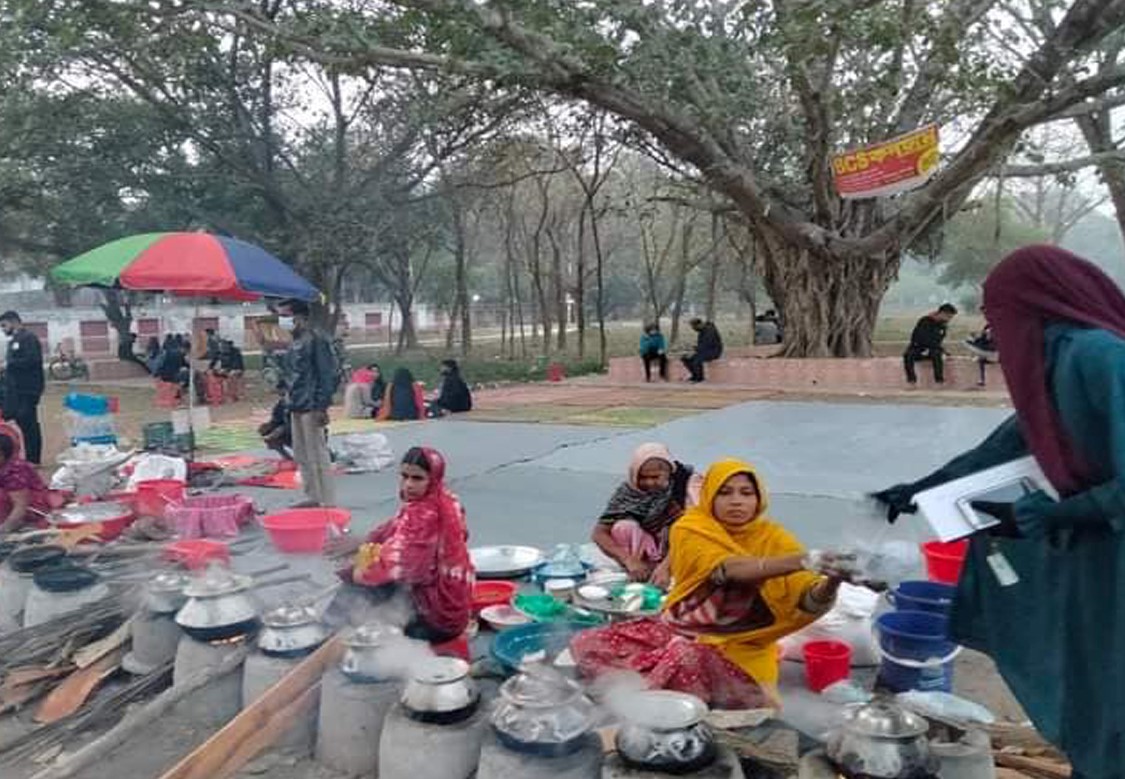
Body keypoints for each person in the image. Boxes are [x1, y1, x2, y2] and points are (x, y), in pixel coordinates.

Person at [870, 245, 1125, 779]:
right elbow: (1003, 447)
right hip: (1093, 556)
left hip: (1110, 552)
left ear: (1033, 304)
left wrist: (1066, 513)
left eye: (997, 314)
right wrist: (918, 489)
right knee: (1089, 681)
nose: (994, 329)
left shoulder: (1099, 356)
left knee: (1111, 683)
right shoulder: (1051, 363)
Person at [572, 459, 844, 708]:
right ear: (709, 495)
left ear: (759, 498)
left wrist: (833, 578)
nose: (736, 501)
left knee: (683, 659)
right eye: (724, 493)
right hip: (684, 628)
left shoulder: (775, 539)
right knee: (589, 642)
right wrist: (808, 560)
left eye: (746, 493)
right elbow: (726, 570)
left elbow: (807, 601)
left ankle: (653, 703)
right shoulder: (691, 527)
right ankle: (650, 680)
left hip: (743, 650)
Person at [326, 447, 474, 642]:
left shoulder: (424, 515)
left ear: (433, 478)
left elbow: (397, 568)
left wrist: (353, 573)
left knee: (360, 587)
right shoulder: (445, 500)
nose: (408, 485)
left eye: (417, 478)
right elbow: (394, 526)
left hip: (438, 618)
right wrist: (364, 541)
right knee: (371, 572)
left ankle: (326, 633)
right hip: (456, 604)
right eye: (404, 476)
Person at [591, 442, 700, 586]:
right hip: (646, 549)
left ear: (668, 472)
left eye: (655, 477)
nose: (649, 482)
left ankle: (670, 571)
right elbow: (599, 533)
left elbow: (695, 529)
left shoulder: (687, 483)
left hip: (679, 547)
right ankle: (641, 572)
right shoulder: (628, 492)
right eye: (642, 477)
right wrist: (628, 560)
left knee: (683, 527)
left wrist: (665, 567)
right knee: (622, 527)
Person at [279, 299, 339, 508]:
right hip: (296, 403)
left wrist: (322, 405)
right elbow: (291, 374)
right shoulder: (294, 342)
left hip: (312, 403)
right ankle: (312, 496)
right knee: (302, 454)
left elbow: (327, 374)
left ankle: (326, 501)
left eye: (285, 315)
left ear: (300, 316)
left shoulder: (316, 340)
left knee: (317, 454)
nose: (282, 320)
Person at [0, 311, 44, 465]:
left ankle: (33, 459)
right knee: (22, 421)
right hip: (16, 390)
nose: (3, 330)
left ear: (14, 322)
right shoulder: (15, 340)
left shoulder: (28, 338)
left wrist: (8, 365)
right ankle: (29, 458)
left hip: (28, 388)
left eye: (4, 325)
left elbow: (32, 360)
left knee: (29, 423)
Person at [0, 434, 61, 535]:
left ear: (3, 455)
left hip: (31, 507)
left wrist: (4, 529)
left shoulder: (14, 471)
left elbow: (20, 505)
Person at [903, 303, 957, 385]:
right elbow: (918, 337)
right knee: (908, 355)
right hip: (918, 347)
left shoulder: (942, 325)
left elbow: (938, 340)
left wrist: (944, 350)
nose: (949, 319)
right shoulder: (925, 321)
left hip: (933, 348)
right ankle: (911, 380)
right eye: (948, 316)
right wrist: (928, 347)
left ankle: (939, 381)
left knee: (937, 354)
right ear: (942, 313)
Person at [681, 317, 723, 383]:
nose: (693, 329)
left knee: (697, 359)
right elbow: (701, 346)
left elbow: (705, 346)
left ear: (699, 324)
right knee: (685, 358)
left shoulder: (709, 331)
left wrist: (693, 349)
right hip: (705, 350)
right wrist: (691, 349)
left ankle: (699, 378)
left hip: (714, 351)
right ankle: (695, 376)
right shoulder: (702, 331)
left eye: (693, 327)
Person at [258, 386, 293, 461]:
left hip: (302, 432)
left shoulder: (300, 401)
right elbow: (275, 420)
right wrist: (267, 428)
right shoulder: (280, 405)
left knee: (280, 431)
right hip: (287, 431)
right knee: (266, 431)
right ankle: (287, 458)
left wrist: (280, 430)